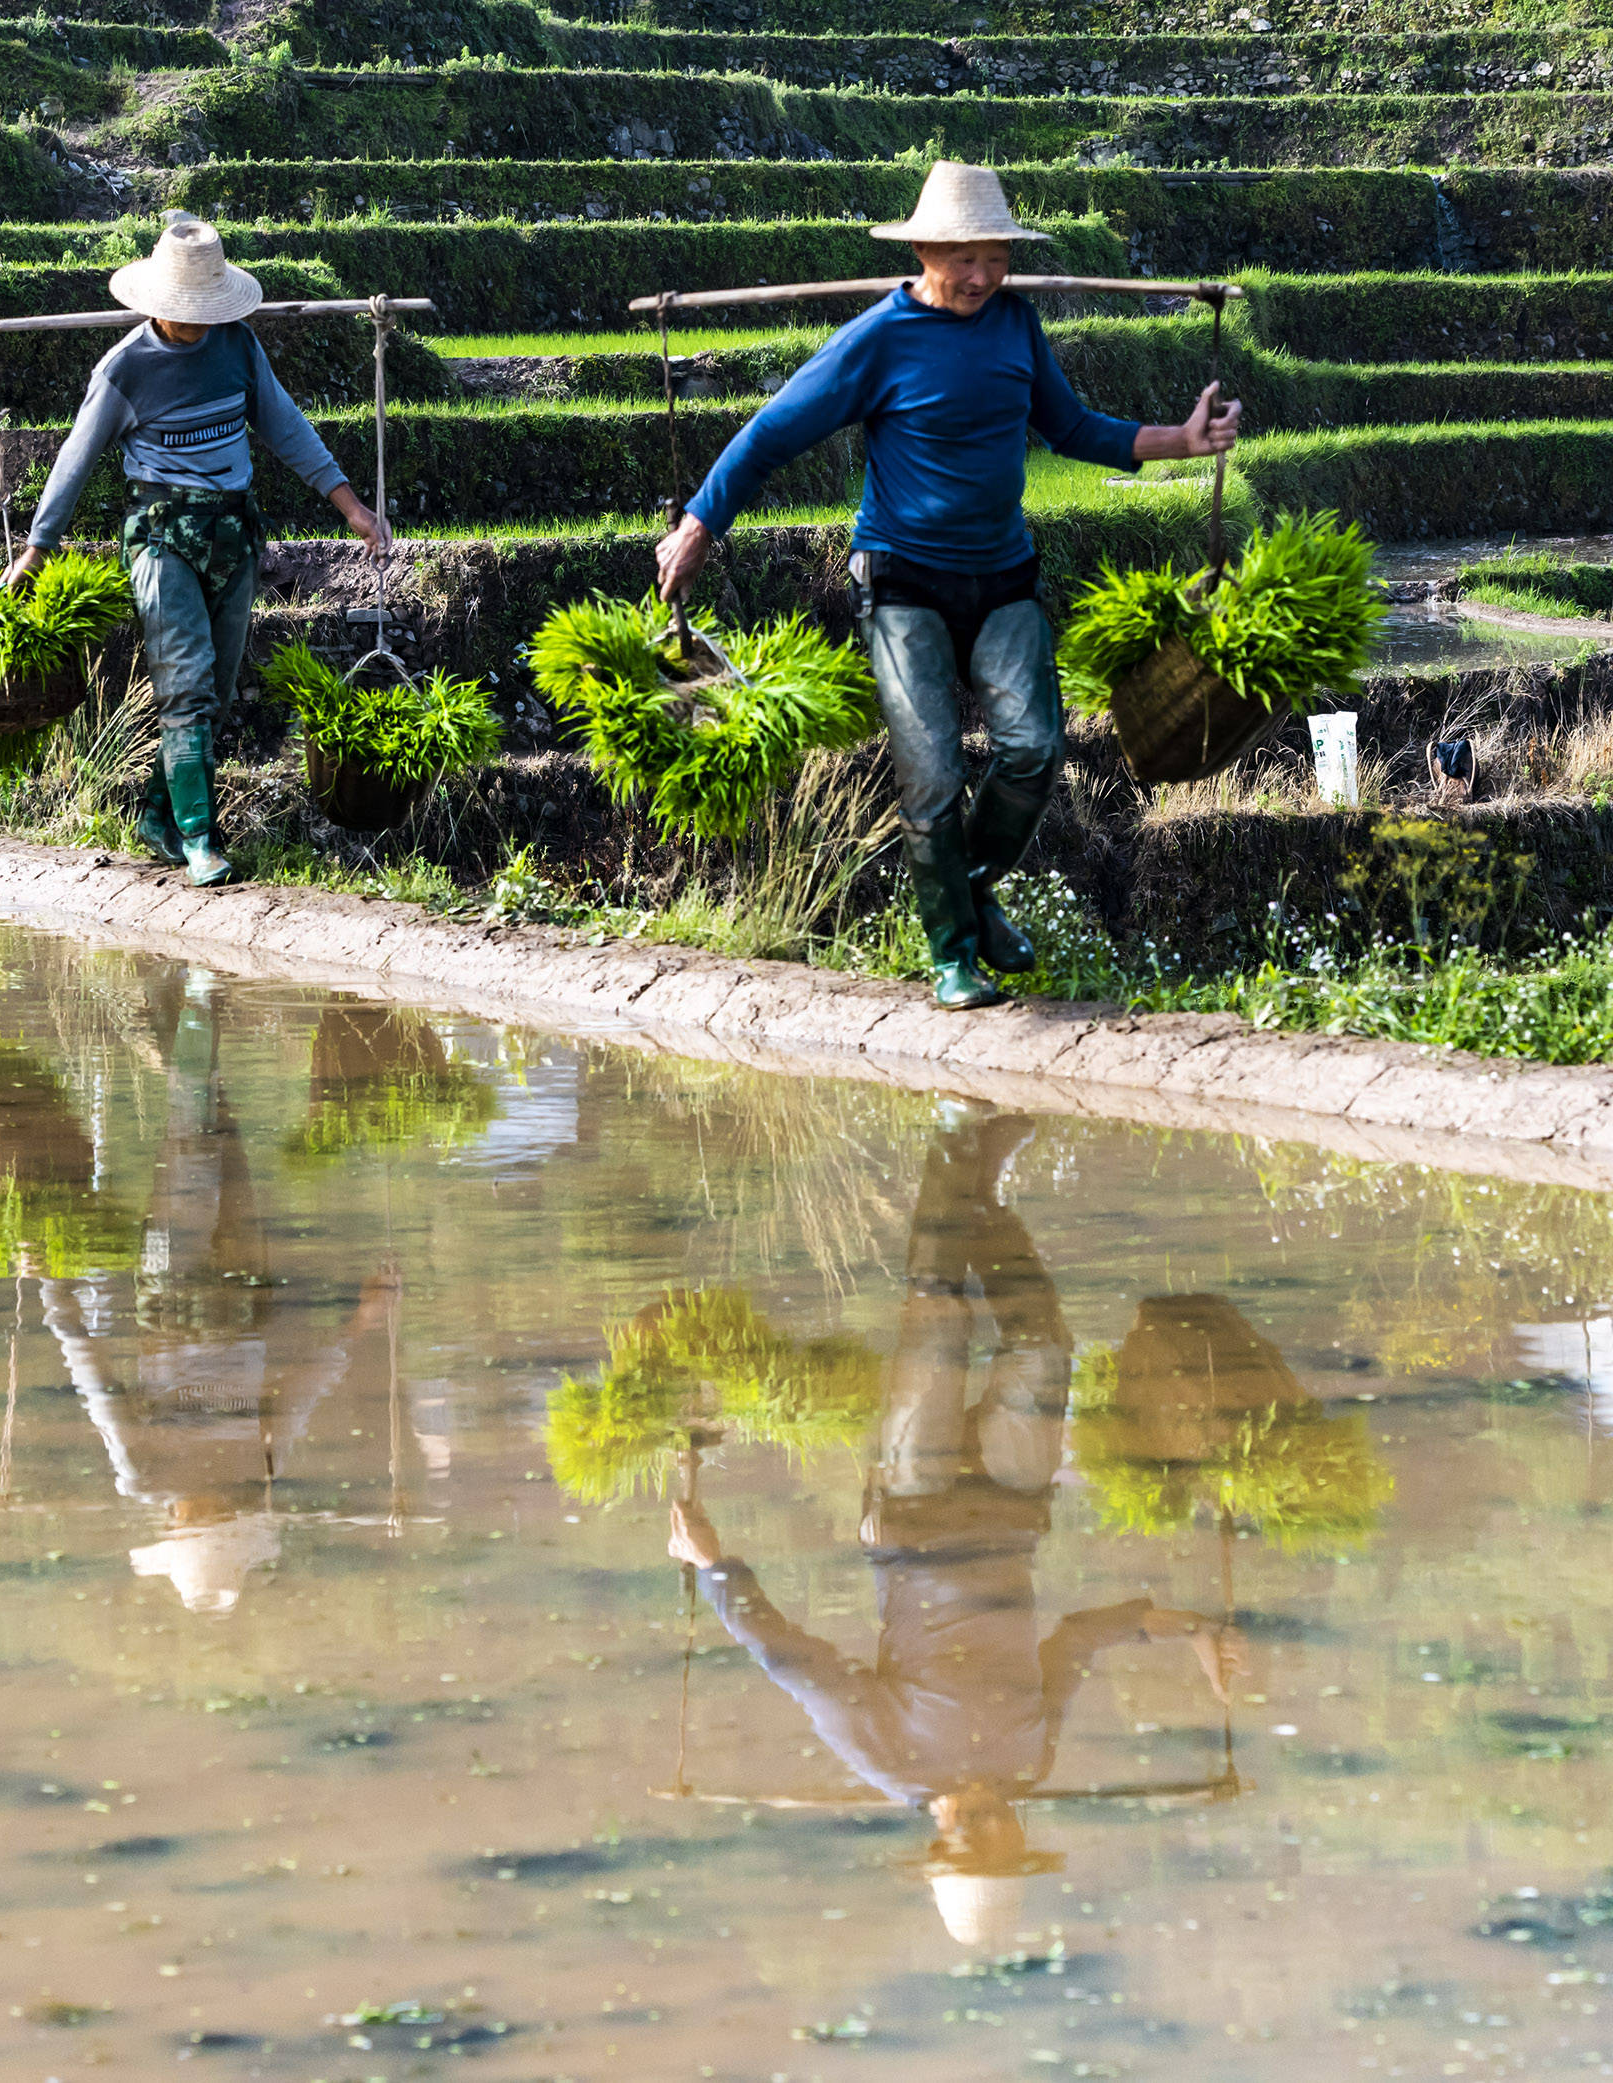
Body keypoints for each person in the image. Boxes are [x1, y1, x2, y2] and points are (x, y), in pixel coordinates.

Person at [654, 162, 1243, 1011]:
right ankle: (953, 952)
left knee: (1035, 749)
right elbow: (771, 432)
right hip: (902, 585)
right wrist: (701, 526)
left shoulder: (1016, 326)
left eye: (995, 259)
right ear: (924, 249)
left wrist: (1182, 441)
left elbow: (1071, 426)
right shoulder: (878, 339)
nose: (980, 277)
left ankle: (967, 885)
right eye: (964, 259)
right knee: (931, 771)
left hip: (1003, 577)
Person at [663, 1109, 1245, 1949]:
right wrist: (1192, 1626)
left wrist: (717, 1567)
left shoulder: (891, 1757)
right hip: (1011, 1511)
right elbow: (1078, 1639)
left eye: (963, 1844)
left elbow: (794, 1663)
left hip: (913, 1510)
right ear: (1017, 1842)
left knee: (938, 1318)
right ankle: (980, 1190)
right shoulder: (1029, 1760)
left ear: (937, 1841)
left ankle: (953, 1144)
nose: (982, 1830)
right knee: (1043, 1345)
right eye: (997, 1846)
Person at [2, 214, 393, 890]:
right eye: (187, 312)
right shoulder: (125, 369)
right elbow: (76, 458)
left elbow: (286, 428)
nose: (198, 323)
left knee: (209, 692)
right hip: (163, 539)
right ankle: (200, 839)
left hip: (234, 535)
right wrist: (37, 547)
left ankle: (159, 818)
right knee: (185, 681)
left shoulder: (236, 347)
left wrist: (353, 507)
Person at [40, 964, 404, 1611]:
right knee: (217, 1133)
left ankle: (190, 996)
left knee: (193, 1136)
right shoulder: (257, 1472)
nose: (203, 1512)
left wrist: (56, 1293)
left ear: (179, 1524)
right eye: (214, 1522)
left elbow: (95, 1380)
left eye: (202, 1522)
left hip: (173, 1291)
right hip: (243, 1290)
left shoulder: (145, 1472)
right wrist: (363, 1318)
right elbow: (299, 1390)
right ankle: (173, 1004)